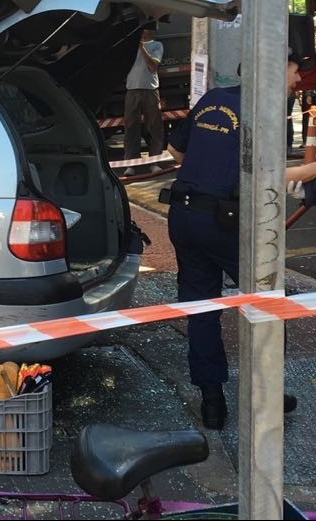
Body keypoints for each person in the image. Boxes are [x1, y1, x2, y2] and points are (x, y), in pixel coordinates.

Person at [165, 47, 316, 430]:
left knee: (200, 308)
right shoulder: (263, 112)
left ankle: (212, 402)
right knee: (265, 303)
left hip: (183, 215)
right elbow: (265, 179)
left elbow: (174, 150)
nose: (298, 80)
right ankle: (266, 392)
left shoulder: (212, 99)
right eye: (295, 71)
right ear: (274, 69)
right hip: (224, 222)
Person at [122, 25, 165, 176]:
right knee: (131, 127)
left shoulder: (156, 45)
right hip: (132, 90)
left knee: (154, 126)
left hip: (150, 90)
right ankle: (131, 163)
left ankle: (154, 162)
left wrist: (141, 48)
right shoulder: (129, 47)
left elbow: (152, 66)